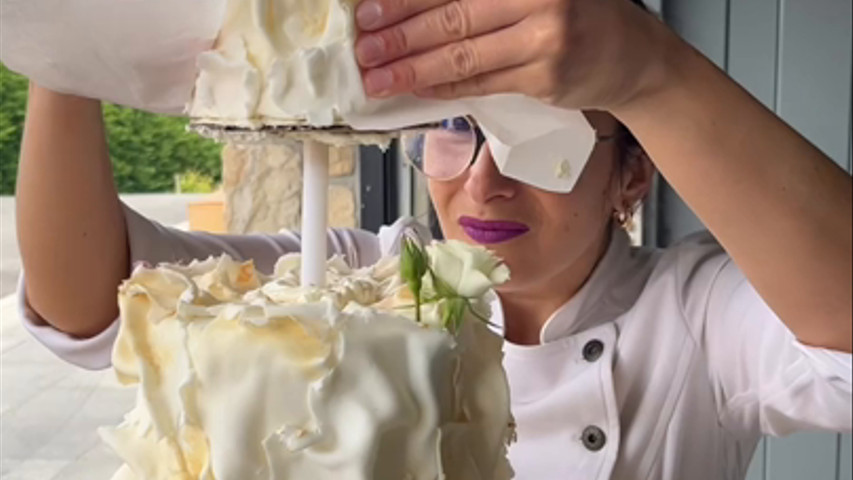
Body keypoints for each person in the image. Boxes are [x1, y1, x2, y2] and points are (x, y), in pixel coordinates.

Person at [15, 0, 851, 478]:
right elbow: (91, 304)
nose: (484, 182)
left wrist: (653, 73)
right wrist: (66, 54)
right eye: (457, 129)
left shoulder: (693, 319)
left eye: (540, 140)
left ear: (630, 177)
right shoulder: (355, 285)